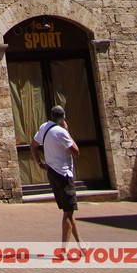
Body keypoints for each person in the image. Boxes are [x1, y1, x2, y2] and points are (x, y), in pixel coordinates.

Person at [31, 105, 83, 245]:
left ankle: (81, 244)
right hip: (64, 174)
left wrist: (39, 163)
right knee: (68, 213)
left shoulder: (44, 127)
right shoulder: (61, 132)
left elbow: (33, 145)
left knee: (68, 211)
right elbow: (76, 152)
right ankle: (63, 249)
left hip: (52, 173)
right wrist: (67, 131)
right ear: (63, 117)